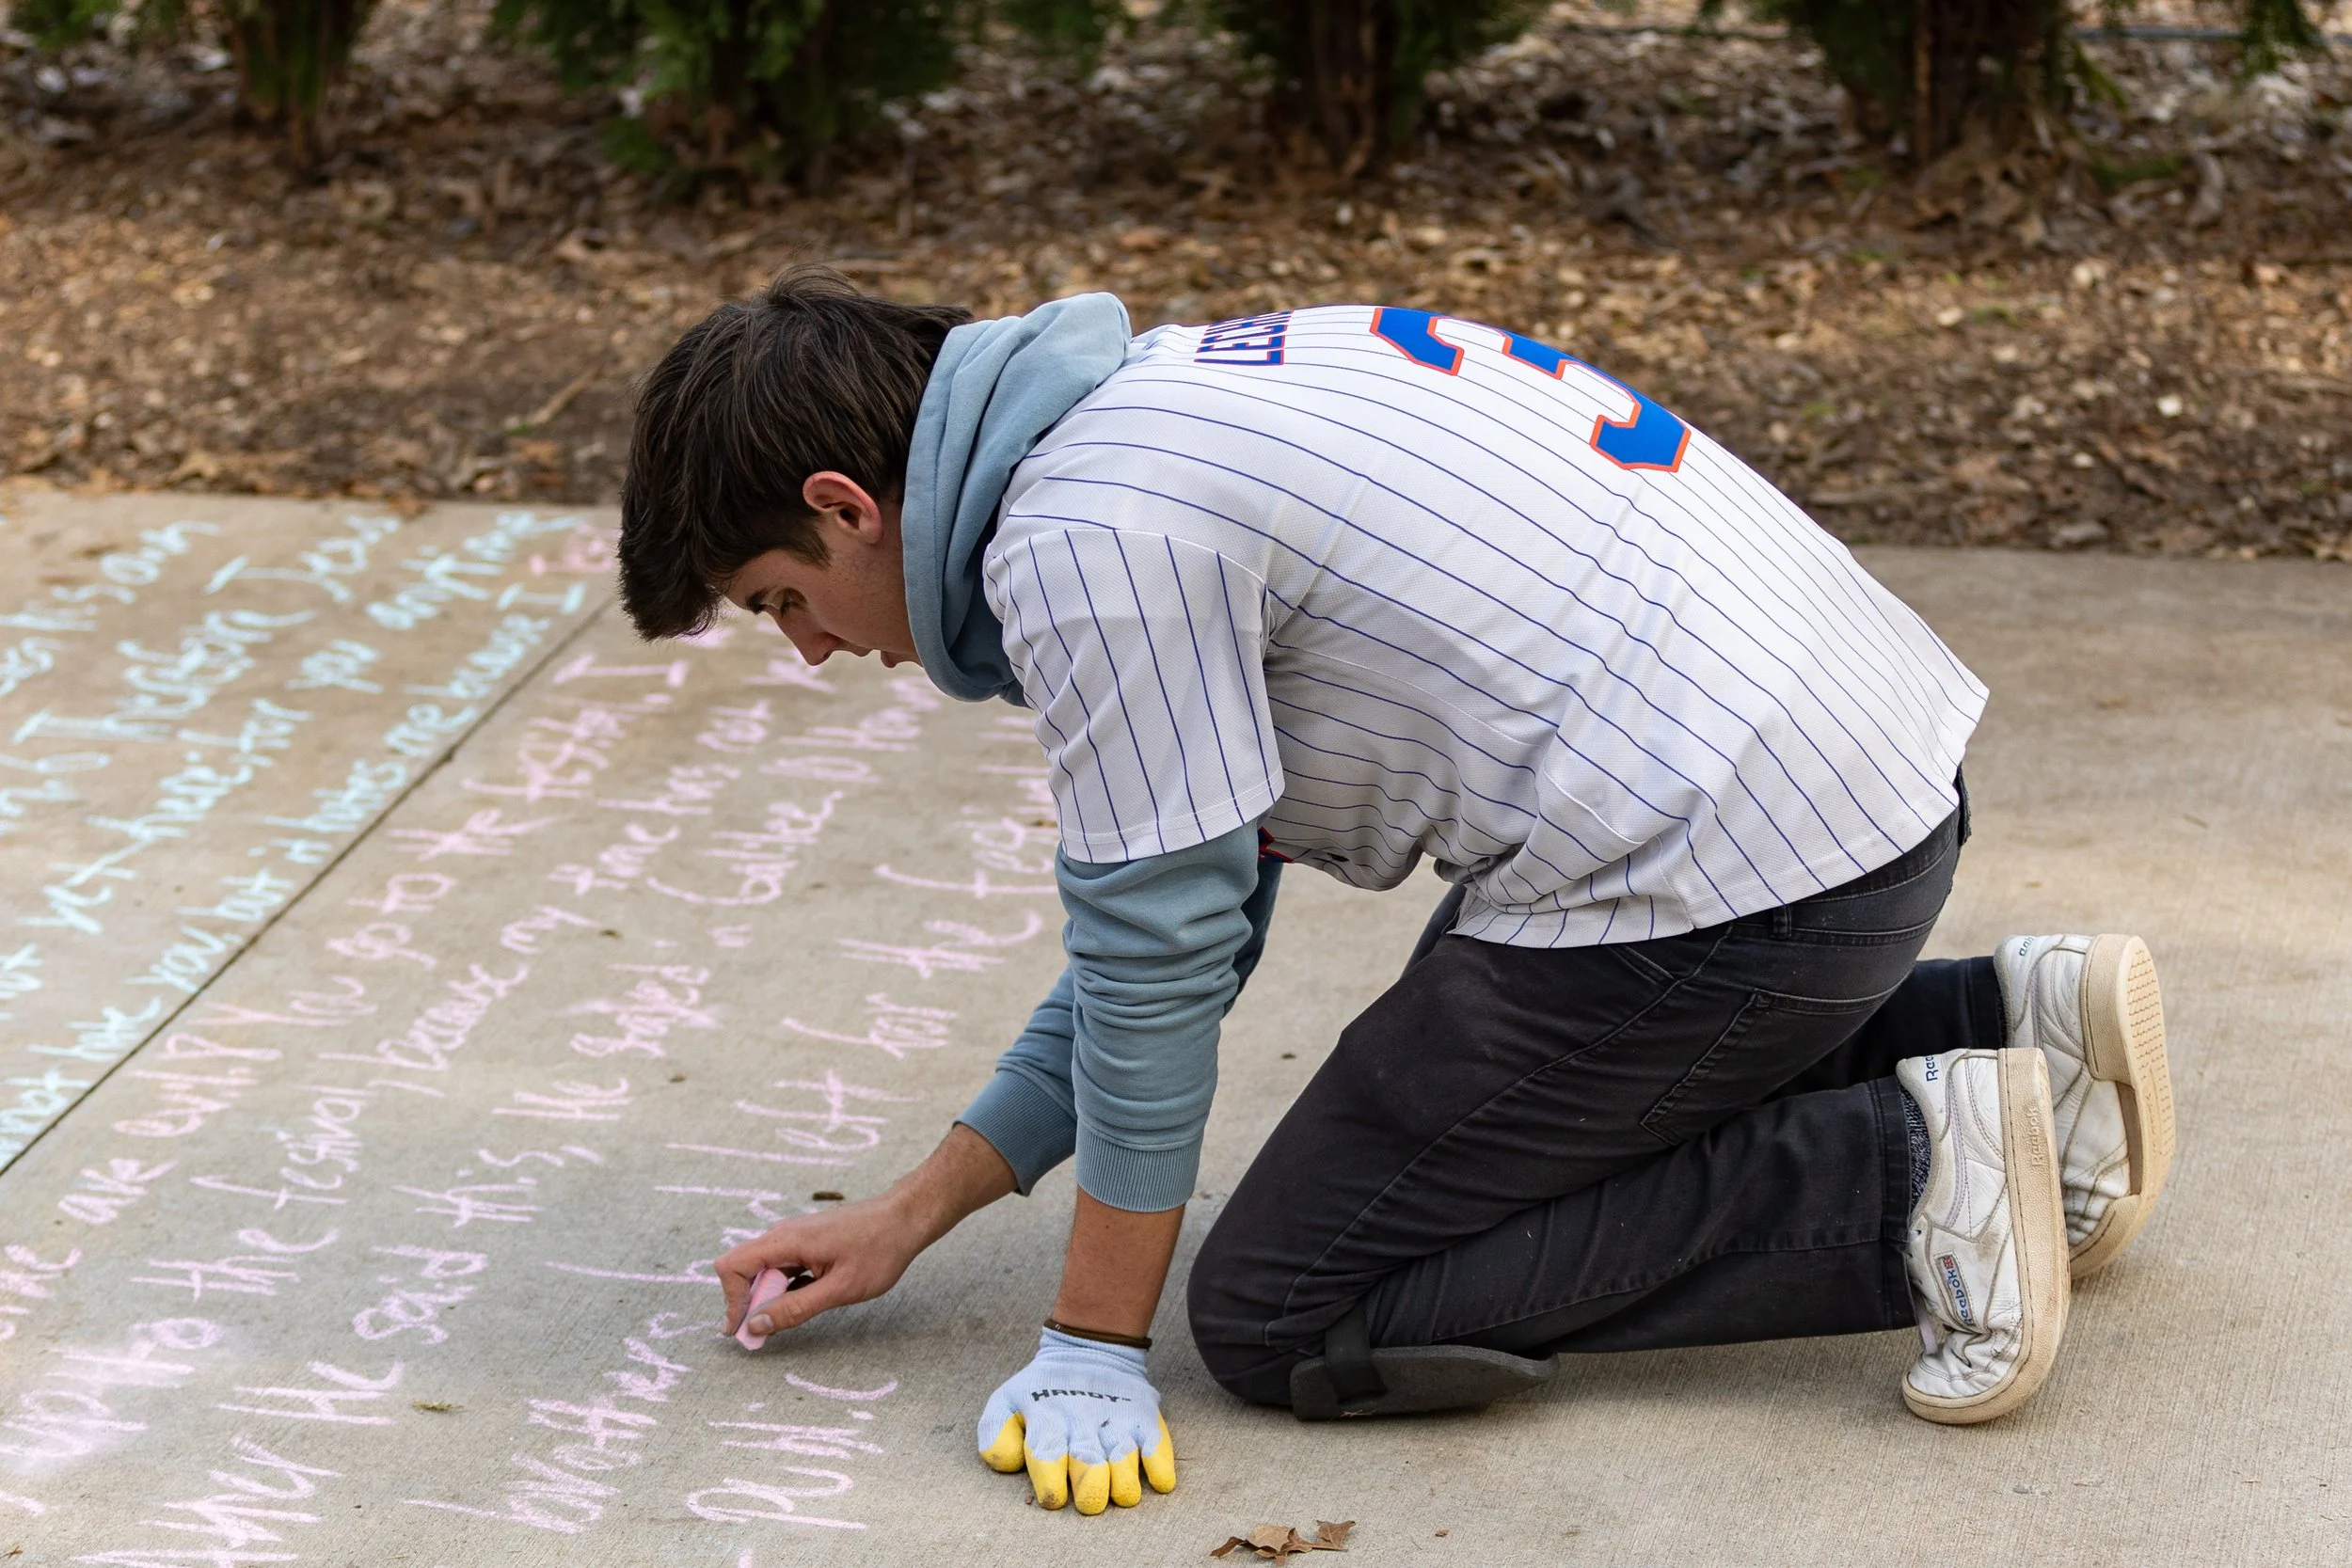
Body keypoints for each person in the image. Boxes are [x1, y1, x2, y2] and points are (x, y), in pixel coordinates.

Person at [616, 265, 2175, 1517]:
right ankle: (2009, 1028)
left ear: (845, 504)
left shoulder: (1082, 543)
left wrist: (1094, 1343)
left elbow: (1157, 979)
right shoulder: (1159, 401)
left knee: (1293, 1307)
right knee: (1471, 1137)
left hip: (1738, 887)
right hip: (1861, 798)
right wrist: (916, 1211)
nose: (814, 649)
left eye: (781, 603)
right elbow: (1189, 926)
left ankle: (1910, 1180)